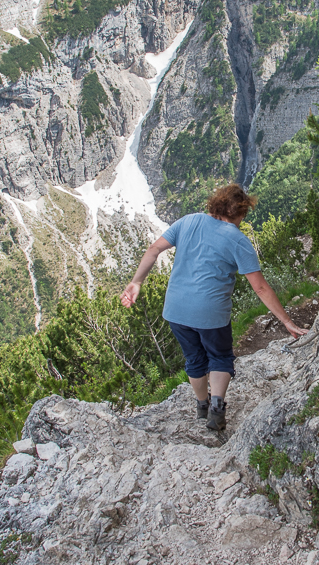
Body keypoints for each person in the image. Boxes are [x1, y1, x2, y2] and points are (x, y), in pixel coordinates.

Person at [121, 184, 308, 431]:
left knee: (194, 359)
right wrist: (286, 321)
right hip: (210, 313)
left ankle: (202, 406)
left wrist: (136, 282)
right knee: (219, 357)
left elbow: (154, 250)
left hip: (175, 310)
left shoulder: (188, 221)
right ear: (240, 213)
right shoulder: (238, 240)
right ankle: (217, 409)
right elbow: (260, 288)